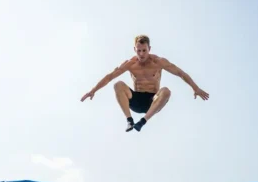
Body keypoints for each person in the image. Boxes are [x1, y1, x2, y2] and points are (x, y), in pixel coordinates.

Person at [81, 35, 209, 132]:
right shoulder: (130, 64)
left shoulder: (159, 62)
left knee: (166, 91)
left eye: (144, 50)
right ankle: (129, 120)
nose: (141, 54)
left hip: (153, 101)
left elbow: (181, 73)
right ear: (134, 49)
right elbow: (109, 77)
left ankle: (142, 121)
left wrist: (195, 88)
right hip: (136, 100)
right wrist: (93, 91)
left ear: (149, 49)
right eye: (138, 51)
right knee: (118, 84)